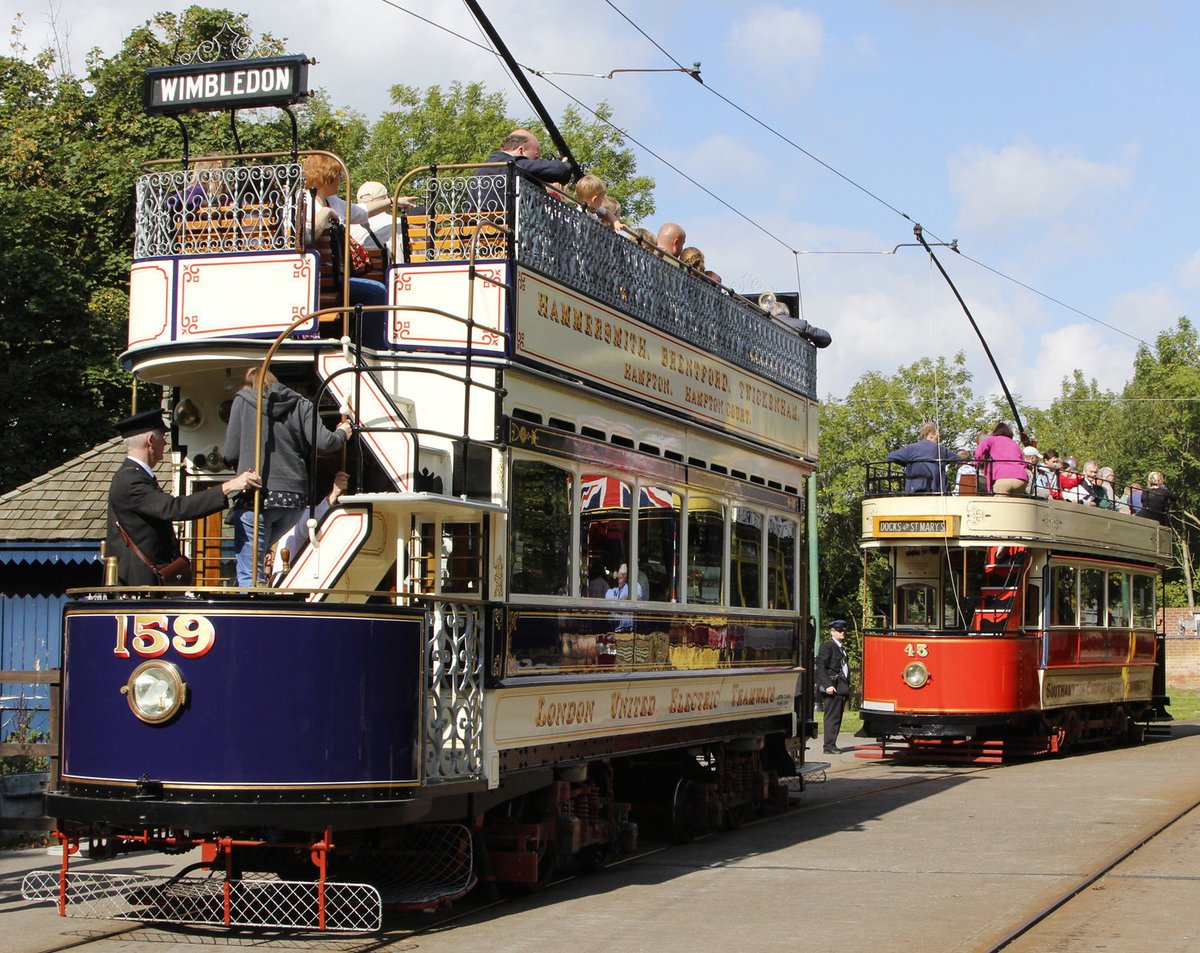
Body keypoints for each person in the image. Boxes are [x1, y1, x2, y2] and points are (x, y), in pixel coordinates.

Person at [223, 366, 352, 585]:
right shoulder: (302, 403)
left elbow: (230, 453)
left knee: (249, 572)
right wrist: (343, 433)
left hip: (258, 498)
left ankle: (255, 615)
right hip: (294, 501)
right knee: (259, 554)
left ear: (248, 386)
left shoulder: (243, 401)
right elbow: (325, 442)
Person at [107, 409, 260, 586]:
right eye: (163, 437)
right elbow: (174, 508)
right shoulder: (131, 480)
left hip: (147, 583)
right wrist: (229, 486)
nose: (165, 443)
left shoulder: (134, 476)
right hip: (141, 585)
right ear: (150, 441)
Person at [301, 154, 387, 309]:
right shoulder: (304, 202)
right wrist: (326, 213)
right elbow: (307, 236)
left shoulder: (332, 201)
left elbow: (362, 211)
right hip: (316, 279)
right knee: (378, 292)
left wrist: (393, 202)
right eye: (339, 175)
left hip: (334, 276)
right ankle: (369, 334)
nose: (341, 179)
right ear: (328, 177)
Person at [469, 129, 573, 213]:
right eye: (536, 157)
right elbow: (559, 170)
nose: (537, 161)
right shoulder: (516, 164)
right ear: (521, 150)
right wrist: (564, 164)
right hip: (509, 229)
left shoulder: (483, 168)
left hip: (475, 228)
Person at [270, 471, 349, 578]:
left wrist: (332, 496)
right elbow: (310, 523)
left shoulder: (293, 514)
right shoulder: (301, 513)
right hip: (291, 581)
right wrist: (332, 495)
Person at [887, 422, 958, 494]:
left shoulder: (910, 448)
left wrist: (907, 463)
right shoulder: (940, 449)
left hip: (913, 491)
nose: (939, 436)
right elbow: (956, 458)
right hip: (936, 491)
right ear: (931, 435)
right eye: (937, 434)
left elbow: (891, 457)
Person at [815, 619, 852, 754]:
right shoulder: (827, 646)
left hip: (840, 686)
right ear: (832, 632)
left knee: (837, 716)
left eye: (844, 630)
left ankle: (832, 744)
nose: (843, 632)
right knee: (832, 717)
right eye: (839, 630)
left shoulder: (841, 648)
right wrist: (827, 685)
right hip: (832, 686)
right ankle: (828, 746)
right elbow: (821, 666)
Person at [974, 423, 1027, 496]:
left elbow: (978, 453)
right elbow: (1024, 463)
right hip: (1021, 480)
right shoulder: (1015, 444)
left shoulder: (990, 440)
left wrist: (976, 464)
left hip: (1003, 478)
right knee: (1013, 506)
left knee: (998, 505)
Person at [605, 562, 643, 632]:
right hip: (614, 629)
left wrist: (625, 600)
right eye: (618, 578)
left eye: (621, 578)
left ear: (626, 577)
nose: (619, 580)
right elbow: (611, 608)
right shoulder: (612, 591)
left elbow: (635, 600)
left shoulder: (635, 586)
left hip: (628, 630)